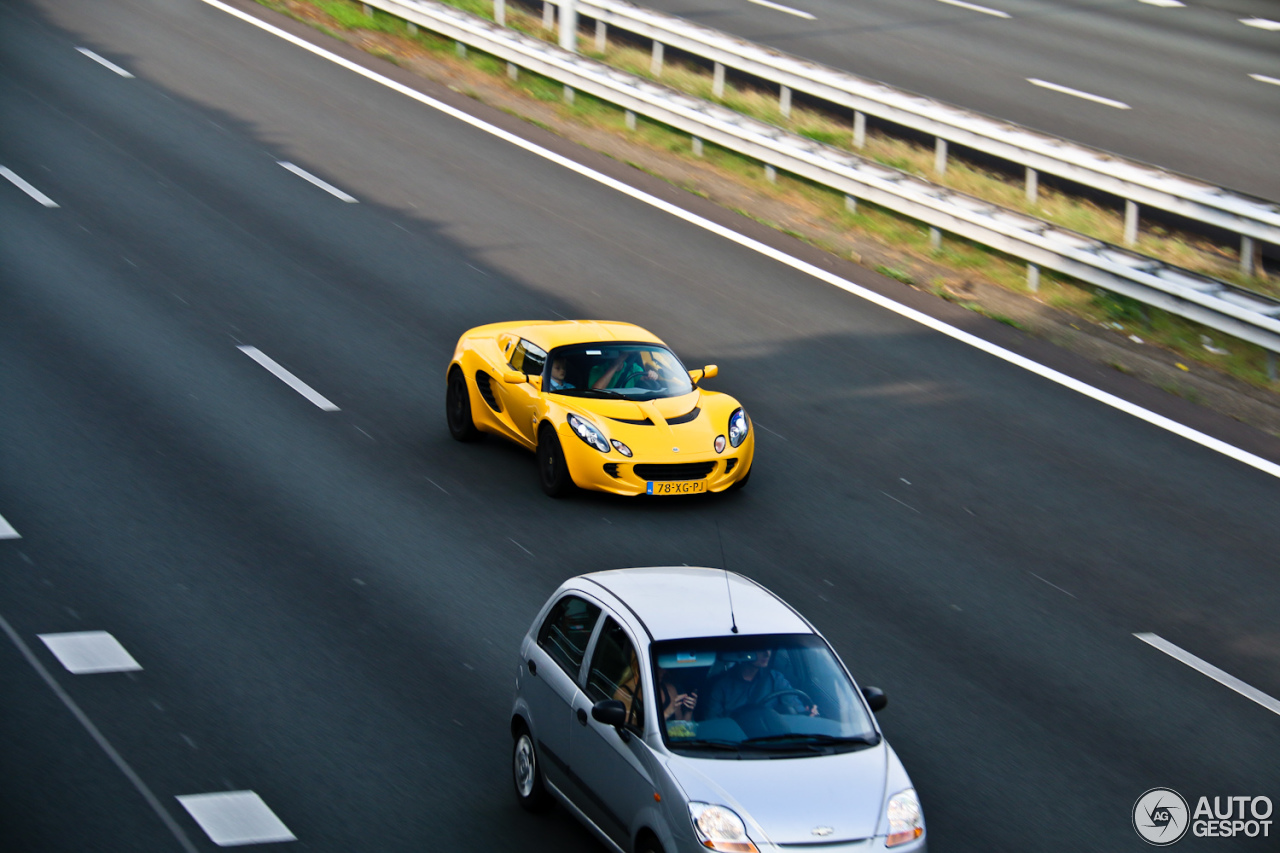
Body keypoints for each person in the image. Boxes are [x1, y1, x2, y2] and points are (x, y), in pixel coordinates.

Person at [703, 649, 818, 719]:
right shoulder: (721, 685)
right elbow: (713, 724)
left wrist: (807, 715)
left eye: (768, 648)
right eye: (760, 649)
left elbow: (794, 706)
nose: (767, 654)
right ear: (744, 652)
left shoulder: (775, 678)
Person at [592, 350, 660, 390]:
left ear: (626, 355)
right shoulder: (598, 369)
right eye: (617, 352)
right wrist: (614, 366)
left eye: (622, 353)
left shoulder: (633, 368)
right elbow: (596, 390)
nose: (619, 356)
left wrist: (651, 375)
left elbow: (643, 378)